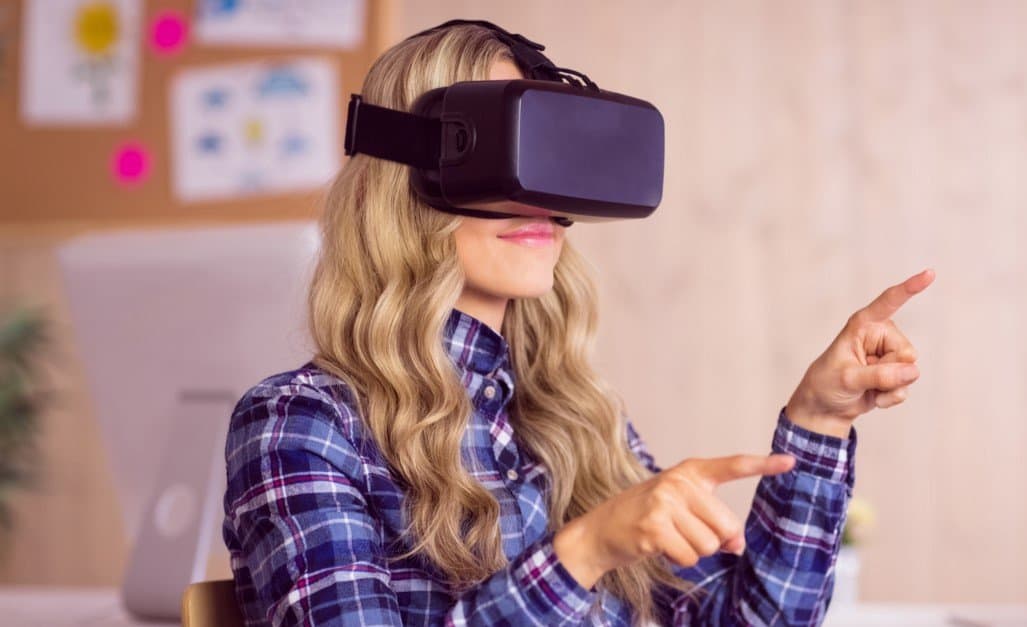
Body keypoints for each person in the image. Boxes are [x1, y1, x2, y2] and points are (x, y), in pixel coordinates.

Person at [222, 21, 934, 627]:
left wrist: (819, 422)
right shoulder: (304, 425)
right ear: (404, 177)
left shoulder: (576, 419)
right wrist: (585, 551)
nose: (539, 198)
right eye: (506, 153)